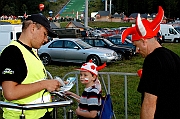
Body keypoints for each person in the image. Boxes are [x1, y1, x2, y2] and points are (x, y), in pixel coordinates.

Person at [122, 6, 180, 119]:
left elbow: (149, 104)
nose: (137, 51)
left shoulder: (152, 60)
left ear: (144, 41)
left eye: (136, 46)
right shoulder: (174, 56)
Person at [0, 14, 62, 119]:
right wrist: (44, 84)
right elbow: (10, 93)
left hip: (38, 113)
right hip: (22, 116)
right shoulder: (12, 52)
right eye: (45, 34)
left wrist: (51, 85)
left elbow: (31, 81)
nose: (46, 39)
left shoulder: (30, 51)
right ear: (33, 28)